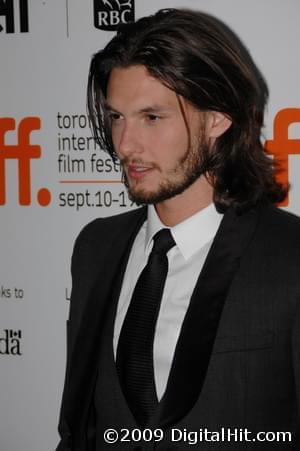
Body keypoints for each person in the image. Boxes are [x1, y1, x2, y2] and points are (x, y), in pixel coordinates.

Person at [56, 8, 300, 451]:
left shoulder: (291, 255)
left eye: (152, 117)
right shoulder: (95, 248)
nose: (125, 145)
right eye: (116, 118)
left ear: (218, 119)